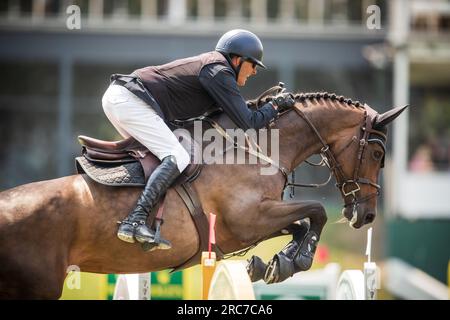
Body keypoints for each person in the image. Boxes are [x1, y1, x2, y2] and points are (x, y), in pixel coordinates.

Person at [101, 29, 295, 252]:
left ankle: (138, 217)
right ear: (237, 59)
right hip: (130, 101)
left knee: (165, 158)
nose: (253, 72)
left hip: (126, 99)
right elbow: (249, 123)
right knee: (178, 156)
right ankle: (133, 221)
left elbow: (238, 113)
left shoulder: (216, 70)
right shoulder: (219, 71)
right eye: (253, 65)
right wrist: (275, 106)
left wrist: (269, 107)